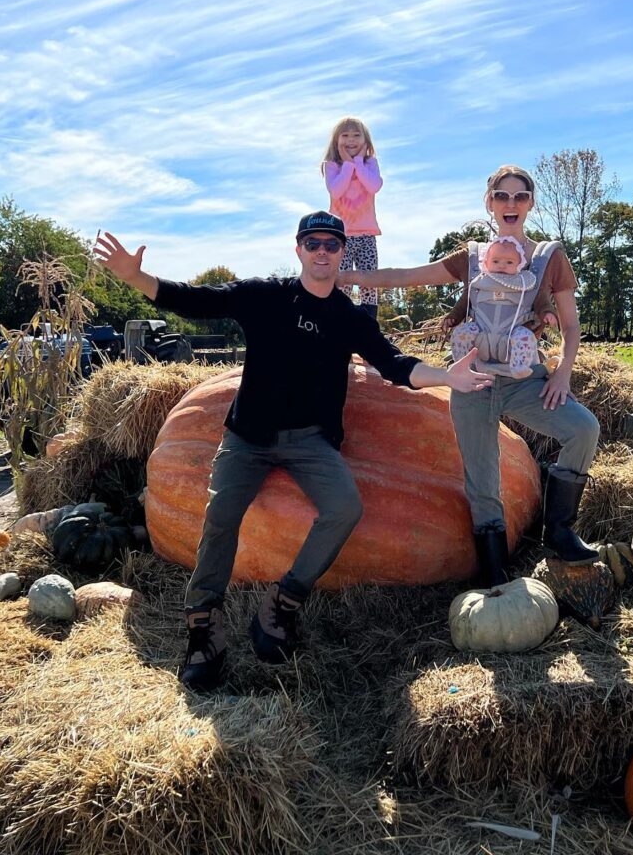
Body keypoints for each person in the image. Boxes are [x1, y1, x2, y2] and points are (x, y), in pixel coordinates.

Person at [93, 212, 493, 693]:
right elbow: (196, 301)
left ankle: (283, 604)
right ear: (298, 249)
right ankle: (203, 627)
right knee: (221, 513)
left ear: (343, 252)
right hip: (248, 436)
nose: (322, 251)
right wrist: (136, 277)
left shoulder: (347, 317)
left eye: (331, 244)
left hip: (309, 441)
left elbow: (394, 364)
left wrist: (447, 377)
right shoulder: (266, 296)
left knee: (345, 507)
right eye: (313, 243)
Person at [340, 166, 601, 585]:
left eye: (519, 196)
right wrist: (348, 276)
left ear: (531, 203)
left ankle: (560, 531)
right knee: (483, 480)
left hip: (524, 379)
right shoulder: (473, 256)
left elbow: (571, 326)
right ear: (489, 202)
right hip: (471, 381)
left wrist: (562, 375)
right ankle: (495, 576)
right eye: (502, 196)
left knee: (583, 428)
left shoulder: (550, 259)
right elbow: (408, 278)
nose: (510, 204)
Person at [448, 235, 557, 380]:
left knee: (526, 336)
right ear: (486, 262)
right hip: (481, 335)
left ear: (519, 265)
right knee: (462, 332)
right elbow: (464, 303)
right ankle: (461, 363)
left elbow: (540, 301)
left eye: (509, 262)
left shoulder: (525, 283)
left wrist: (547, 313)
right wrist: (453, 318)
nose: (502, 265)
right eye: (496, 261)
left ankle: (520, 366)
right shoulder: (478, 282)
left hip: (511, 338)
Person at [321, 117, 383, 320]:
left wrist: (358, 162)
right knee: (341, 280)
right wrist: (347, 165)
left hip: (366, 233)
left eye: (357, 135)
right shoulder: (332, 166)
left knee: (369, 280)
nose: (351, 140)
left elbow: (373, 186)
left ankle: (369, 322)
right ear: (336, 141)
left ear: (366, 140)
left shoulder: (370, 163)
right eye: (345, 135)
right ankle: (340, 321)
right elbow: (336, 191)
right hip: (341, 236)